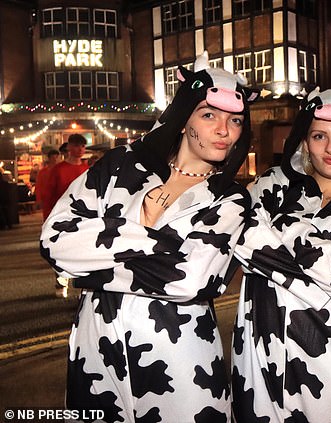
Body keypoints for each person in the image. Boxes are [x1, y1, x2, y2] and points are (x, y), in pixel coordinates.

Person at [40, 51, 259, 422]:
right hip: (97, 352)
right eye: (209, 115)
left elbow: (192, 279)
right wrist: (159, 244)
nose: (224, 130)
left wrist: (95, 259)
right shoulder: (118, 165)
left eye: (235, 120)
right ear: (183, 117)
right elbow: (55, 239)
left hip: (180, 363)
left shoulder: (231, 198)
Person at [231, 78, 331, 422]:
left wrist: (282, 226)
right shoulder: (270, 184)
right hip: (260, 362)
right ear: (305, 142)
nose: (330, 147)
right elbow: (236, 234)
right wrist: (321, 274)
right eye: (318, 135)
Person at [45, 134, 89, 220]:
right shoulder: (58, 169)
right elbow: (49, 193)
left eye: (83, 146)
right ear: (69, 147)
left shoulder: (87, 169)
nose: (80, 149)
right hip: (62, 211)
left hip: (82, 212)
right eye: (76, 146)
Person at [35, 149, 60, 220]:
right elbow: (38, 186)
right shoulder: (43, 172)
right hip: (46, 199)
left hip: (58, 198)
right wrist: (39, 199)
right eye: (53, 158)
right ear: (49, 159)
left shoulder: (60, 170)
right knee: (47, 218)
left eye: (56, 158)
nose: (55, 160)